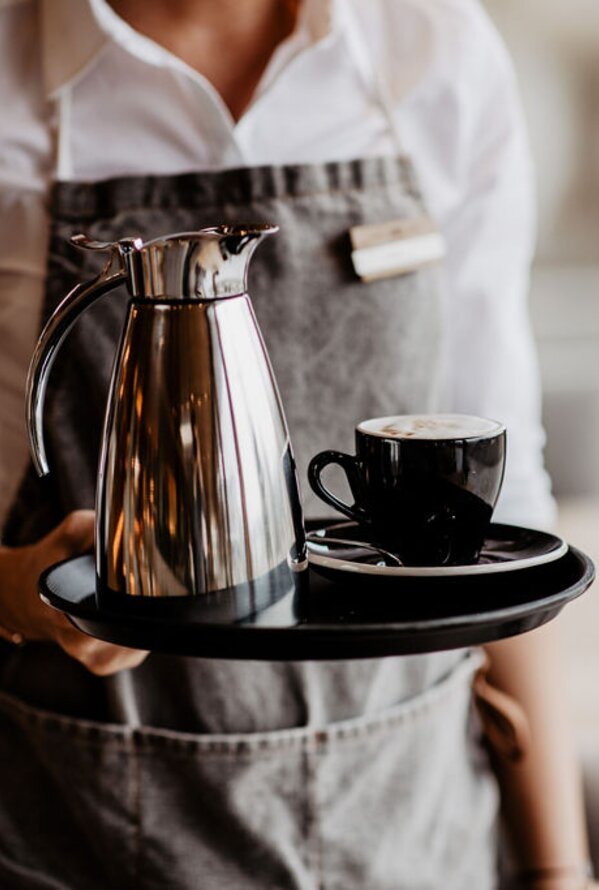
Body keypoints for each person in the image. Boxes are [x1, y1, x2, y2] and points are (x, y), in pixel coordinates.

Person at [0, 0, 594, 886]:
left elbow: (502, 506)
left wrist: (558, 869)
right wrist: (15, 593)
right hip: (87, 824)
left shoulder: (431, 45)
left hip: (407, 814)